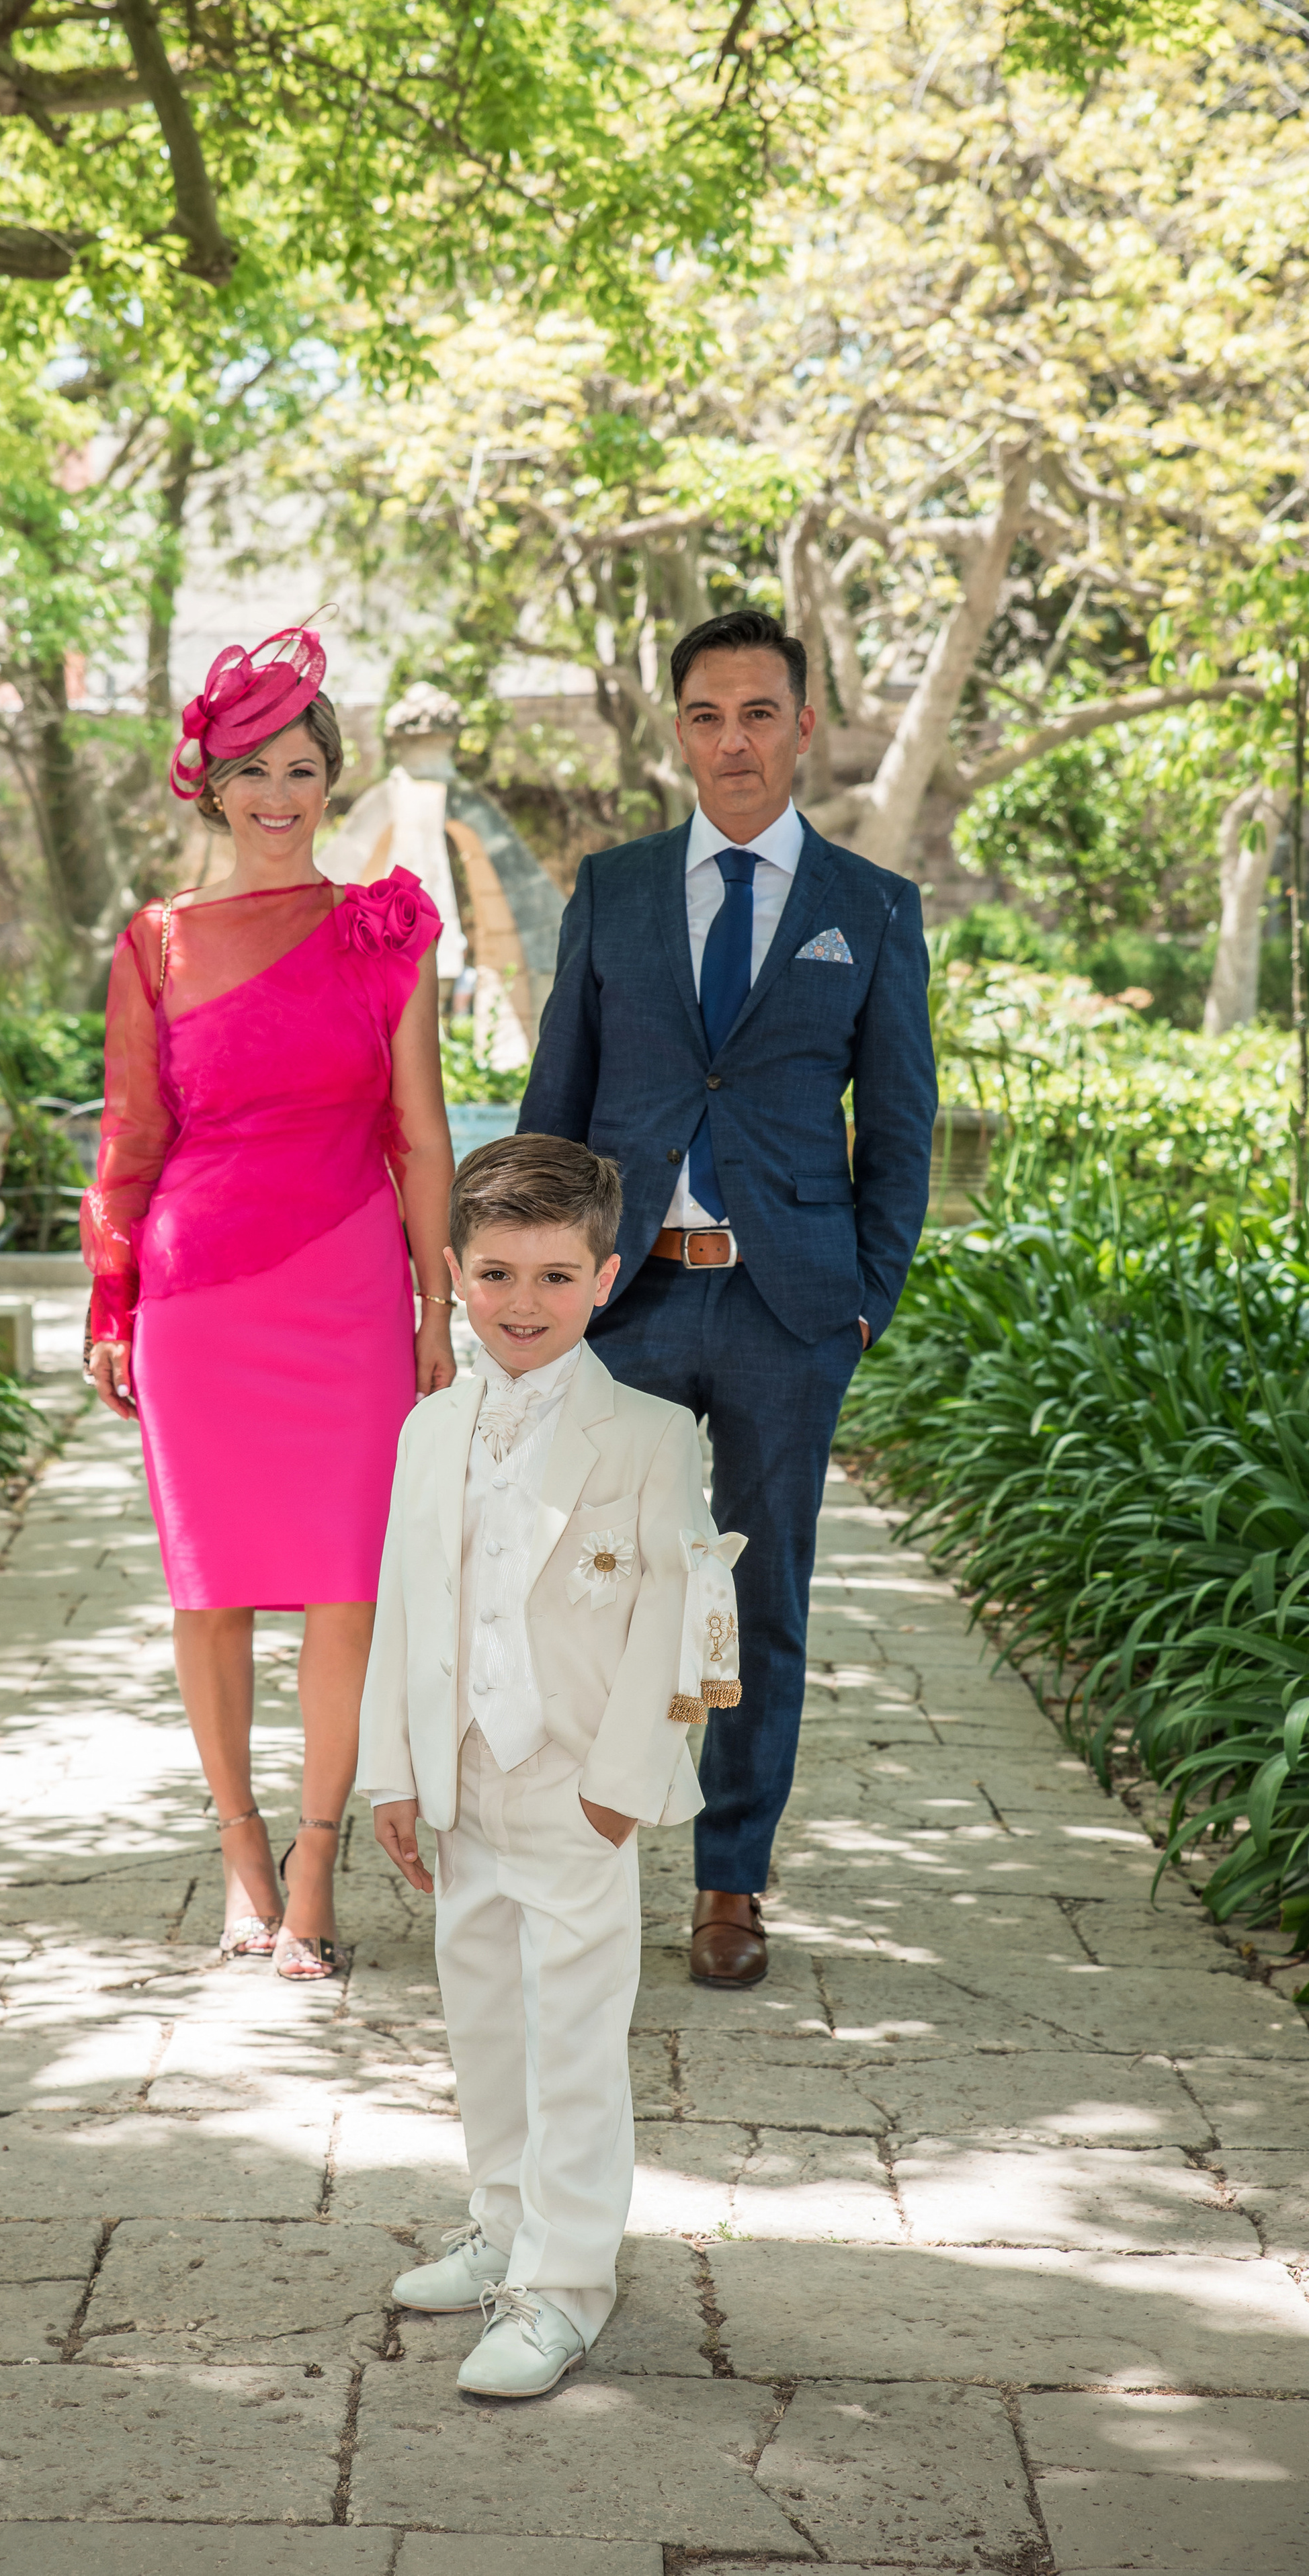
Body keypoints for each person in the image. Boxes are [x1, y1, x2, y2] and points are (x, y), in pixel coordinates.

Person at [517, 606, 935, 1990]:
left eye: (759, 713)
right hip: (626, 1304)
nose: (733, 740)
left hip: (782, 1310)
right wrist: (535, 1293)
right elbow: (554, 1110)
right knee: (585, 1586)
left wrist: (860, 1304)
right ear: (676, 732)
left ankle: (729, 1884)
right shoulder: (613, 890)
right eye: (706, 715)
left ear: (803, 727)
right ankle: (570, 1859)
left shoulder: (866, 910)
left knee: (757, 1605)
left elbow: (898, 1127)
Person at [81, 623, 457, 1980]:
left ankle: (315, 1866)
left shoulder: (383, 928)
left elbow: (420, 1132)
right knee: (213, 1592)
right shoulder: (157, 943)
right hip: (199, 1298)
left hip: (350, 1292)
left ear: (331, 778)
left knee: (347, 1592)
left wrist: (436, 1309)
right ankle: (240, 1860)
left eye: (302, 767)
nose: (281, 794)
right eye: (253, 770)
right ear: (211, 785)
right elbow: (129, 1139)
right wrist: (113, 1303)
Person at [357, 1134, 739, 2397]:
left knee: (572, 2032)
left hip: (581, 1782)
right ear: (454, 1272)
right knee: (480, 2010)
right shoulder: (427, 1429)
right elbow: (401, 1605)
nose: (525, 1304)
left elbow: (681, 1624)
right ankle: (504, 2219)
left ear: (607, 1276)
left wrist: (622, 1784)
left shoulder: (651, 1434)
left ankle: (568, 2281)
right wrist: (393, 1772)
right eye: (498, 1274)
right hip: (464, 1772)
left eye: (557, 1276)